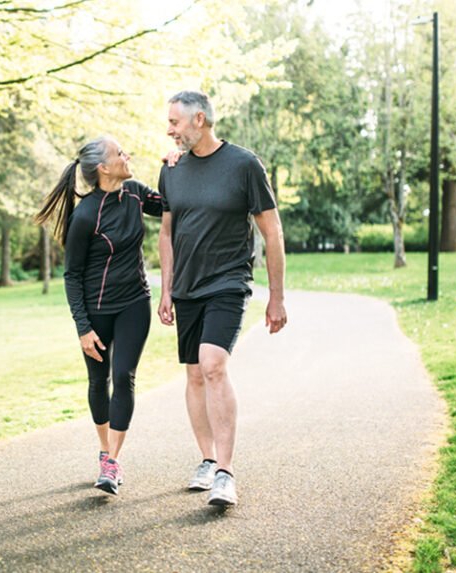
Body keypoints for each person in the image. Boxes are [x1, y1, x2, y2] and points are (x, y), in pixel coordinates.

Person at [157, 90, 287, 506]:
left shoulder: (244, 165)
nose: (169, 130)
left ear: (199, 120)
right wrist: (166, 289)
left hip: (228, 282)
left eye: (175, 122)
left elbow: (272, 232)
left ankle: (226, 473)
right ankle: (207, 460)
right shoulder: (171, 171)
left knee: (213, 365)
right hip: (186, 288)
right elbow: (165, 232)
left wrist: (277, 297)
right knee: (194, 374)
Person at [36, 136, 163, 495]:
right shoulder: (85, 215)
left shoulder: (136, 193)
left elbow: (173, 201)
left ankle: (112, 462)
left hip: (135, 303)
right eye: (120, 153)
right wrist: (83, 328)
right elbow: (72, 275)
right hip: (95, 312)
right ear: (103, 168)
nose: (128, 155)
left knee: (123, 376)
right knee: (99, 381)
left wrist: (176, 164)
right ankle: (106, 451)